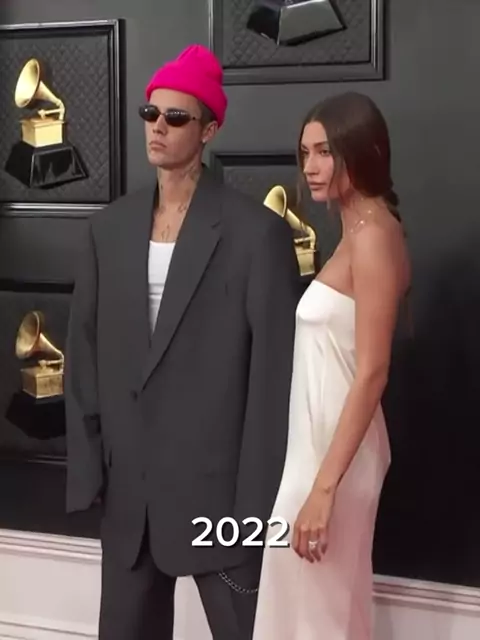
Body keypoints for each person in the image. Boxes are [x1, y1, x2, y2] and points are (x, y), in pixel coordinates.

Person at [64, 44, 300, 640]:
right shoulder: (107, 229)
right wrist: (91, 472)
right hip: (131, 502)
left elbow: (272, 385)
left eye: (175, 117)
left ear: (209, 129)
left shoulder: (258, 235)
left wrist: (255, 516)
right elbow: (84, 358)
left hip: (221, 503)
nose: (158, 127)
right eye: (151, 114)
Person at [252, 91, 411, 639]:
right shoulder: (359, 231)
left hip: (334, 462)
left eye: (324, 152)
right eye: (305, 153)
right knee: (308, 615)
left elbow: (372, 372)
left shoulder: (374, 238)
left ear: (362, 151)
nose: (310, 167)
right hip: (317, 452)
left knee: (318, 620)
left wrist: (323, 489)